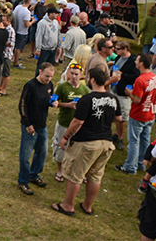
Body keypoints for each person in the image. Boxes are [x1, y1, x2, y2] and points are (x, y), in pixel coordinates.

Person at [51, 66, 122, 216]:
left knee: (75, 175)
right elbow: (118, 119)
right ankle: (87, 206)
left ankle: (68, 206)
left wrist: (65, 137)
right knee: (95, 176)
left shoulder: (88, 99)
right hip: (106, 143)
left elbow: (77, 122)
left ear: (93, 80)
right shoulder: (113, 98)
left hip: (87, 142)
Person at [17, 62, 59, 195]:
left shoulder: (49, 85)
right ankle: (23, 181)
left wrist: (53, 102)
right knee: (25, 156)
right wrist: (27, 124)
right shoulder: (30, 85)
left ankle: (33, 174)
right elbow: (22, 105)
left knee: (42, 153)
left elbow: (49, 98)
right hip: (30, 126)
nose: (48, 79)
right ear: (40, 72)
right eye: (46, 76)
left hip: (42, 125)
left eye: (51, 76)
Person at [115, 53, 156, 174]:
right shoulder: (155, 77)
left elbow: (137, 100)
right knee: (145, 140)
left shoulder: (140, 80)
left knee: (134, 141)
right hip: (150, 113)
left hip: (139, 114)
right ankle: (141, 163)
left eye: (137, 60)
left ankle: (130, 166)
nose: (135, 62)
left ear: (142, 63)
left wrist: (129, 92)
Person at [52, 63, 90, 182]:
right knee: (60, 147)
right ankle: (60, 171)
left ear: (81, 75)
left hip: (79, 125)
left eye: (76, 74)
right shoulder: (62, 87)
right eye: (71, 74)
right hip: (64, 122)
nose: (73, 77)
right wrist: (67, 105)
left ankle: (78, 172)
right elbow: (54, 102)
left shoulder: (85, 90)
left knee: (79, 149)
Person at [111, 41, 141, 150]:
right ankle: (116, 134)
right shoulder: (117, 58)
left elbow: (136, 76)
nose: (116, 51)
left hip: (123, 92)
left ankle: (120, 137)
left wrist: (122, 75)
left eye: (118, 49)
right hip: (114, 88)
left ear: (125, 49)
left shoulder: (132, 61)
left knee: (122, 117)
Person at [34, 6, 61, 76]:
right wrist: (38, 49)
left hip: (53, 49)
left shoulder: (56, 22)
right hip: (44, 49)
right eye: (56, 13)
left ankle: (47, 79)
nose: (57, 15)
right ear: (51, 13)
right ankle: (38, 79)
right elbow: (39, 36)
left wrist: (58, 46)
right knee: (41, 66)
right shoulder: (42, 23)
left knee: (50, 67)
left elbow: (58, 34)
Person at [12, 0, 36, 69]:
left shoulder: (18, 7)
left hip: (16, 29)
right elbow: (27, 24)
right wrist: (33, 21)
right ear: (29, 2)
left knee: (15, 46)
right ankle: (16, 63)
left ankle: (14, 59)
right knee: (19, 48)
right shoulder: (26, 12)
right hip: (22, 31)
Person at [0, 13, 16, 97]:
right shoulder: (4, 29)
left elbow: (11, 43)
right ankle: (0, 87)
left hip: (7, 54)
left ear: (9, 21)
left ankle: (3, 90)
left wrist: (1, 41)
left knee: (6, 73)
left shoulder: (10, 30)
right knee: (2, 72)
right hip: (2, 53)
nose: (2, 22)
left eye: (4, 20)